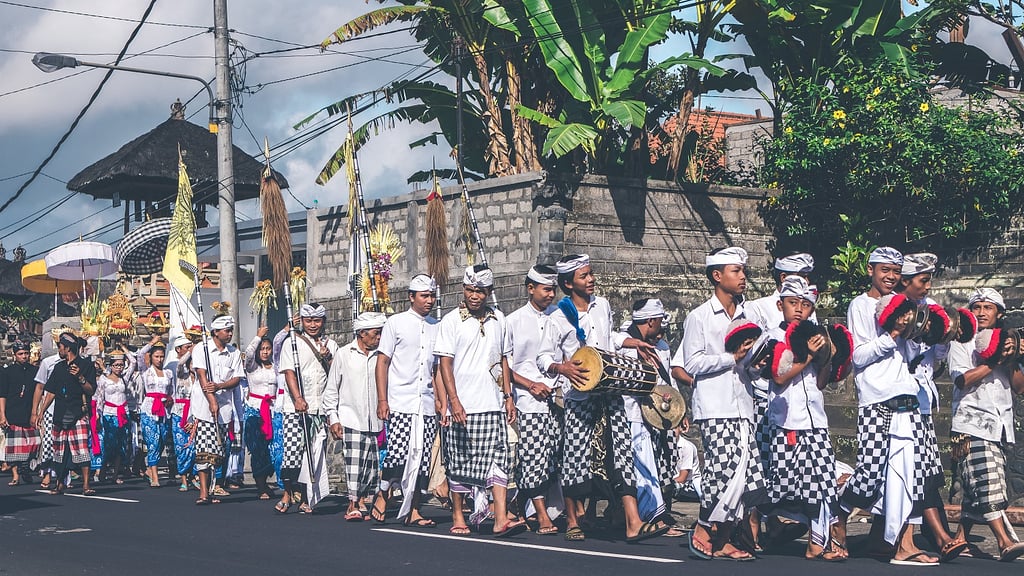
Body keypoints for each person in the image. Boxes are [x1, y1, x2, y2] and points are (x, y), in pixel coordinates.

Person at [537, 254, 664, 543]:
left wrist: (633, 341)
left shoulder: (603, 306)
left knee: (621, 453)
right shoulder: (557, 317)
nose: (591, 279)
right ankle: (572, 519)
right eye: (584, 276)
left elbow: (610, 340)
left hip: (610, 392)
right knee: (576, 458)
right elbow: (543, 357)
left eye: (591, 273)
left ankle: (633, 521)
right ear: (568, 283)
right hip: (580, 396)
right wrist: (563, 367)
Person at [835, 246, 937, 565]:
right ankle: (834, 510)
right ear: (871, 271)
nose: (891, 277)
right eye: (885, 271)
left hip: (906, 394)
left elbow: (910, 357)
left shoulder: (905, 305)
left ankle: (904, 544)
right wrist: (892, 334)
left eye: (896, 272)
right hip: (876, 398)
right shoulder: (860, 305)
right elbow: (859, 356)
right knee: (870, 474)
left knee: (908, 472)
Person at [682, 247, 767, 561]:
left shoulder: (749, 316)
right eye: (736, 271)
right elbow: (691, 363)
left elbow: (749, 362)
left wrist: (753, 363)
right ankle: (705, 528)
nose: (743, 276)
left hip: (744, 404)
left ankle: (725, 539)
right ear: (717, 276)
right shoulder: (699, 317)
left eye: (743, 270)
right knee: (722, 472)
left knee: (744, 474)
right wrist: (731, 358)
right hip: (715, 406)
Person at [755, 276, 842, 561]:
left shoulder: (816, 336)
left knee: (822, 482)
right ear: (780, 304)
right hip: (785, 420)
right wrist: (805, 358)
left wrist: (827, 357)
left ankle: (818, 542)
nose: (798, 309)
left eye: (805, 304)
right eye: (792, 303)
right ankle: (754, 521)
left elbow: (820, 383)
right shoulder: (771, 337)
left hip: (815, 419)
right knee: (780, 483)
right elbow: (778, 378)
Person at [435, 265, 520, 536]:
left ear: (489, 292)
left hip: (493, 404)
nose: (474, 296)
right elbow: (445, 365)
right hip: (464, 405)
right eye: (470, 290)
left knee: (500, 459)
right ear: (464, 289)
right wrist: (454, 401)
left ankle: (500, 518)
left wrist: (508, 397)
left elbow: (504, 361)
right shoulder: (451, 321)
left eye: (480, 291)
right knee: (459, 462)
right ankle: (459, 515)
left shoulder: (500, 320)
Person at [898, 253, 969, 561]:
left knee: (926, 472)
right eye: (922, 280)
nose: (927, 286)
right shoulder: (895, 311)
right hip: (902, 403)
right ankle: (938, 536)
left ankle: (933, 534)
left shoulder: (930, 310)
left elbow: (935, 358)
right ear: (906, 281)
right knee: (916, 473)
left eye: (929, 280)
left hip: (923, 402)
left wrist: (944, 335)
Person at [948, 288, 1024, 562]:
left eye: (987, 308)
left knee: (975, 482)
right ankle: (1004, 541)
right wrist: (995, 360)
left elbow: (1018, 388)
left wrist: (1012, 358)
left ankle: (960, 538)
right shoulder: (961, 340)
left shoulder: (1006, 342)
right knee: (989, 480)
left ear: (999, 313)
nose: (981, 312)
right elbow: (962, 380)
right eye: (976, 307)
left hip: (1000, 423)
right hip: (971, 422)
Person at [373, 274, 441, 525]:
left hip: (426, 402)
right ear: (411, 297)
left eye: (432, 296)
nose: (429, 300)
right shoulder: (396, 323)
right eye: (424, 296)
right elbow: (382, 362)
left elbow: (437, 370)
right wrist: (382, 400)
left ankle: (413, 510)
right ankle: (384, 491)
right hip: (400, 400)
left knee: (422, 458)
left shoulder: (437, 325)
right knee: (399, 454)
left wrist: (441, 401)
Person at [616, 298, 682, 537]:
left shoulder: (662, 345)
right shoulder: (624, 344)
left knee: (660, 465)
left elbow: (668, 380)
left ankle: (659, 512)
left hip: (659, 414)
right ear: (651, 320)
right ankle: (651, 516)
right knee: (642, 467)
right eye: (660, 319)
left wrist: (678, 410)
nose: (662, 324)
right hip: (632, 412)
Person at [505, 265, 561, 536]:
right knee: (533, 458)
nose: (551, 294)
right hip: (527, 401)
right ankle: (541, 515)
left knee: (555, 459)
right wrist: (530, 385)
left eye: (553, 289)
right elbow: (501, 366)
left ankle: (522, 506)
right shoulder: (513, 321)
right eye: (546, 289)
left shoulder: (559, 318)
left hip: (558, 400)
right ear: (531, 288)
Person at [324, 311, 387, 522]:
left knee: (371, 465)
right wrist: (333, 417)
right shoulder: (344, 354)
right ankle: (352, 503)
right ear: (362, 333)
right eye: (376, 333)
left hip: (377, 419)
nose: (379, 338)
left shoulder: (383, 355)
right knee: (353, 463)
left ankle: (362, 499)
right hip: (351, 417)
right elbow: (331, 389)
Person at [277, 303, 338, 514]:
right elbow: (289, 373)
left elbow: (335, 376)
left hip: (319, 409)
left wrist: (327, 357)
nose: (313, 325)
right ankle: (287, 493)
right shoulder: (291, 343)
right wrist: (297, 398)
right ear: (302, 321)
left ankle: (306, 497)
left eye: (317, 321)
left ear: (323, 322)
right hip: (296, 407)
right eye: (309, 321)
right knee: (293, 452)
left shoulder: (332, 345)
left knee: (313, 454)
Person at [191, 314, 244, 505]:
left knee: (219, 451)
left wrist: (220, 387)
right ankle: (203, 492)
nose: (230, 334)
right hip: (204, 407)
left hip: (225, 407)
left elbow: (237, 378)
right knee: (204, 449)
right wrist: (212, 400)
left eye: (231, 330)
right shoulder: (201, 349)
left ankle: (213, 488)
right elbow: (202, 377)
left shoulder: (234, 353)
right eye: (226, 330)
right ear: (215, 331)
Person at [35, 332, 96, 496]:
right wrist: (41, 412)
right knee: (59, 452)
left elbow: (91, 390)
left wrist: (80, 377)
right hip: (60, 413)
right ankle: (59, 483)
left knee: (82, 450)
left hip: (78, 412)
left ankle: (85, 485)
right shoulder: (59, 367)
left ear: (67, 348)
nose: (59, 350)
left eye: (60, 347)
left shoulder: (86, 365)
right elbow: (51, 392)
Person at [244, 326, 278, 500]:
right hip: (255, 410)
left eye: (267, 349)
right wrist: (258, 337)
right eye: (262, 349)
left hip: (273, 409)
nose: (265, 352)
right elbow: (248, 354)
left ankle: (271, 479)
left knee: (274, 448)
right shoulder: (252, 367)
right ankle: (261, 486)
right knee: (258, 448)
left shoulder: (276, 368)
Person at [92, 350, 136, 485]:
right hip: (109, 414)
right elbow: (99, 399)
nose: (119, 368)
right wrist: (98, 416)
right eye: (116, 365)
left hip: (123, 413)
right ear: (111, 366)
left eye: (121, 365)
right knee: (110, 444)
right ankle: (103, 471)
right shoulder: (104, 380)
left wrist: (123, 348)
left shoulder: (124, 378)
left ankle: (116, 474)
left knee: (121, 445)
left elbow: (133, 362)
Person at [1, 342, 40, 486]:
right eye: (21, 354)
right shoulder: (7, 372)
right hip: (12, 411)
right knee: (14, 446)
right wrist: (2, 415)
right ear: (14, 355)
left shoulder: (35, 370)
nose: (24, 356)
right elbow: (2, 395)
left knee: (33, 443)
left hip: (29, 411)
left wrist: (37, 412)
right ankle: (16, 475)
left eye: (26, 353)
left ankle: (26, 467)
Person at [137, 337, 174, 488]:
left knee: (162, 440)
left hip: (164, 410)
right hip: (149, 409)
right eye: (156, 356)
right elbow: (139, 355)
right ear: (151, 357)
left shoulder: (168, 373)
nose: (159, 359)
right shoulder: (146, 372)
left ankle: (149, 468)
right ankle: (155, 476)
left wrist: (170, 401)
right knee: (153, 440)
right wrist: (152, 342)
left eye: (161, 356)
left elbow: (171, 391)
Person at [171, 337, 196, 492]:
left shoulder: (196, 371)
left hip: (194, 412)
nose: (189, 350)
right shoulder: (180, 370)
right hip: (179, 411)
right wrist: (191, 350)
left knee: (194, 447)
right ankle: (184, 479)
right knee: (181, 447)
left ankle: (194, 476)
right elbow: (181, 363)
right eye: (186, 347)